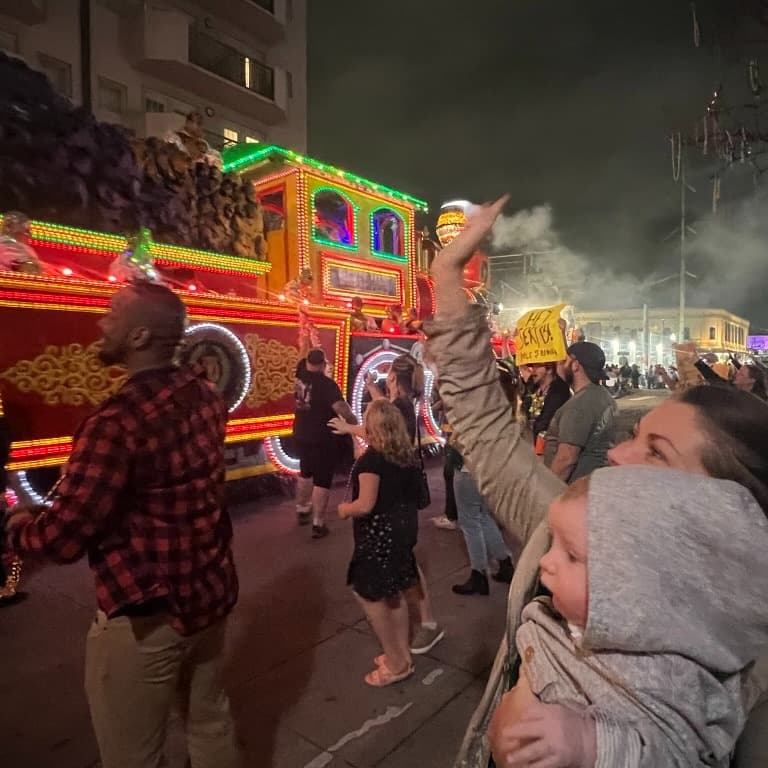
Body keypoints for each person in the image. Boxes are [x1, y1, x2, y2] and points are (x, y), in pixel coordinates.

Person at [424, 196, 768, 767]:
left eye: (655, 451)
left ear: (716, 510)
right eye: (638, 433)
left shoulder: (739, 669)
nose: (617, 452)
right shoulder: (568, 523)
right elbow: (484, 425)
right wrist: (447, 275)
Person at [3, 282, 241, 768]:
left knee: (132, 754)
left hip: (146, 614)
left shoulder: (115, 423)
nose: (100, 324)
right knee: (211, 723)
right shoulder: (205, 395)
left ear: (137, 337)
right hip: (211, 590)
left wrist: (17, 528)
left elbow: (64, 539)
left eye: (111, 315)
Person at [489, 466, 768, 767]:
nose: (545, 561)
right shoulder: (550, 617)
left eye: (571, 554)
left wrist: (586, 742)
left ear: (636, 589)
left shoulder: (672, 677)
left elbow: (680, 756)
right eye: (552, 542)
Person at [330, 353, 446, 655]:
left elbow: (377, 430)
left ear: (393, 377)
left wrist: (348, 429)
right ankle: (418, 627)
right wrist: (373, 392)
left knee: (399, 570)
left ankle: (425, 626)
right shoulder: (404, 404)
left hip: (392, 506)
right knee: (405, 564)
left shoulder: (398, 411)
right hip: (401, 498)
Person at [338, 399, 421, 687]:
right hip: (403, 533)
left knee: (369, 594)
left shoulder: (372, 460)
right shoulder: (406, 455)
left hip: (379, 537)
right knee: (395, 592)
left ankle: (396, 662)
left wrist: (344, 509)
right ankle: (401, 654)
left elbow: (365, 504)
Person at [293, 348, 357, 538]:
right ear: (323, 365)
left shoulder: (300, 374)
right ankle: (318, 524)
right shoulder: (327, 385)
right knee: (322, 480)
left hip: (301, 432)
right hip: (322, 437)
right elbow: (340, 408)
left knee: (305, 472)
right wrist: (354, 421)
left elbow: (303, 356)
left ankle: (302, 509)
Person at [543, 342, 617, 483]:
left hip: (573, 488)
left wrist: (548, 493)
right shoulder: (603, 396)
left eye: (564, 361)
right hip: (592, 485)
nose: (560, 365)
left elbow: (567, 458)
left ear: (576, 365)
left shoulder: (579, 405)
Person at [525, 362, 570, 454]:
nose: (533, 371)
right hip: (529, 444)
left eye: (537, 367)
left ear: (549, 370)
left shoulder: (559, 392)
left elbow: (548, 420)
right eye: (532, 367)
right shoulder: (531, 387)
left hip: (548, 447)